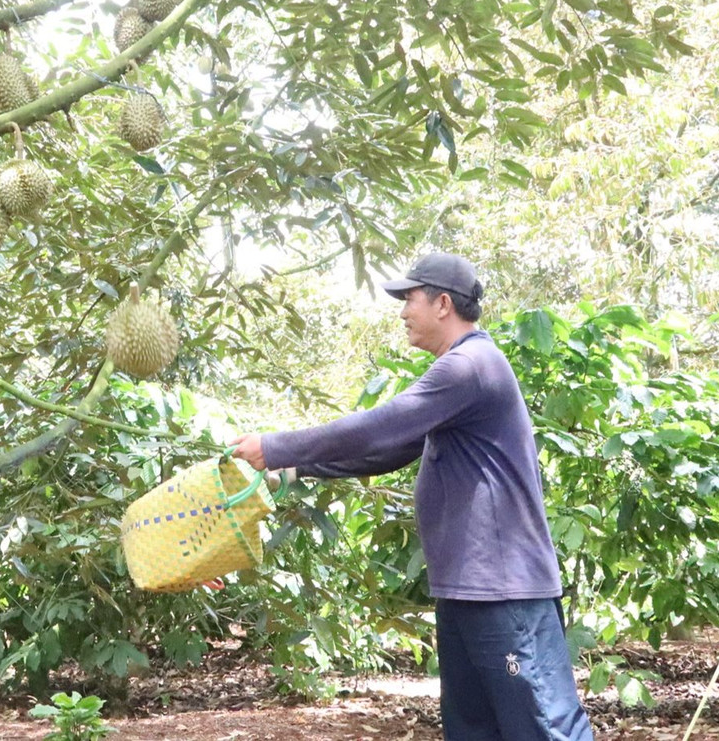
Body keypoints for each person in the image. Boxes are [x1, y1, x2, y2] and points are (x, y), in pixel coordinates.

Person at [230, 253, 595, 741]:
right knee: (474, 730)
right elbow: (389, 450)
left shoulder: (471, 365)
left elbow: (378, 427)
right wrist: (291, 470)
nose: (403, 312)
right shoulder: (459, 374)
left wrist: (276, 446)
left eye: (409, 299)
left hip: (504, 591)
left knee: (543, 727)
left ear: (443, 304)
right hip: (465, 590)